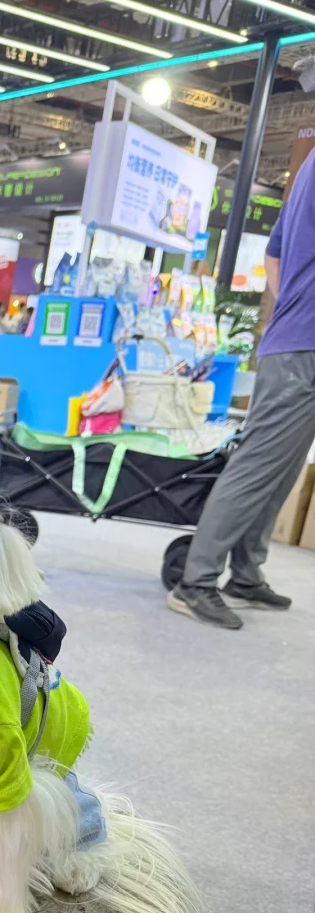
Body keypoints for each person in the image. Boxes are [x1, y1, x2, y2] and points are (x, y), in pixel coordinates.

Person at [168, 151, 315, 628]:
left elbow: (273, 253)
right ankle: (197, 582)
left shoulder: (309, 165)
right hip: (303, 346)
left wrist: (295, 296)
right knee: (257, 467)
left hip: (296, 338)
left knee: (279, 468)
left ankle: (247, 575)